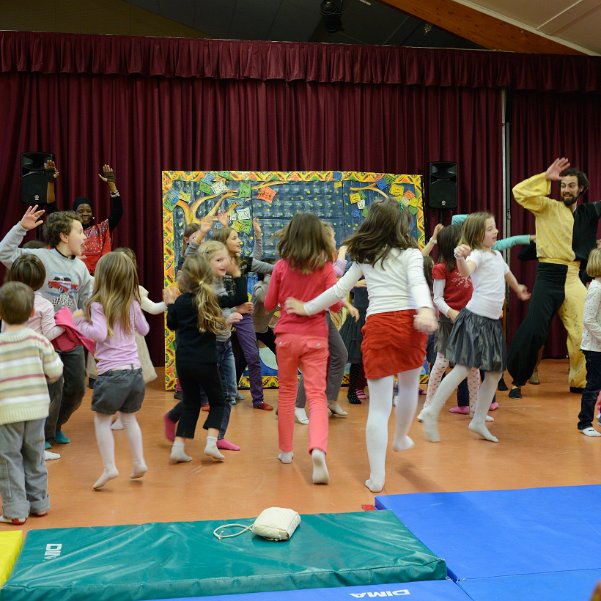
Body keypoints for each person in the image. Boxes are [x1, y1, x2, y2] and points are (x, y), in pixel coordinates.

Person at [285, 198, 437, 493]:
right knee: (407, 388)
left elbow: (339, 289)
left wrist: (307, 308)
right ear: (400, 225)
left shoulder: (366, 255)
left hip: (380, 325)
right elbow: (419, 284)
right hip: (409, 323)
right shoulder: (411, 253)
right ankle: (402, 436)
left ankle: (377, 477)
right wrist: (425, 309)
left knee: (378, 409)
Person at [419, 213, 530, 444]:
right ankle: (431, 411)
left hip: (490, 322)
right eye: (491, 229)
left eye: (495, 227)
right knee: (462, 368)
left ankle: (478, 419)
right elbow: (465, 272)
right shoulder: (477, 255)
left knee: (495, 372)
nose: (496, 232)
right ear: (479, 235)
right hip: (475, 319)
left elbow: (507, 274)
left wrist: (517, 287)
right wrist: (460, 258)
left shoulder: (497, 255)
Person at [507, 158, 601, 399]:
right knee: (536, 329)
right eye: (563, 185)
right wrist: (545, 178)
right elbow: (519, 192)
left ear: (580, 189)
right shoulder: (547, 207)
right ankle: (517, 377)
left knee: (584, 330)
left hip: (572, 276)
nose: (566, 190)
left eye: (571, 185)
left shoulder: (588, 212)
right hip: (548, 276)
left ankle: (579, 381)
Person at [0, 205, 92, 444]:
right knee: (53, 389)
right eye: (80, 231)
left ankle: (57, 423)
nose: (84, 236)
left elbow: (87, 301)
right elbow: (4, 253)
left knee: (77, 387)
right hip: (44, 336)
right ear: (63, 236)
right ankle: (45, 434)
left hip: (67, 336)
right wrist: (21, 228)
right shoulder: (40, 257)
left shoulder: (81, 268)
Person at [264, 213, 344, 485]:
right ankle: (318, 449)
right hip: (316, 338)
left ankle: (286, 452)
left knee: (287, 393)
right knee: (317, 395)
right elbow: (334, 304)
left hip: (286, 337)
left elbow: (269, 303)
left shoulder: (281, 267)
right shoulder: (325, 268)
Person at [163, 241, 249, 451]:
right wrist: (237, 275)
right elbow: (225, 306)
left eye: (225, 259)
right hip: (209, 349)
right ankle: (176, 418)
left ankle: (217, 437)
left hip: (223, 343)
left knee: (226, 393)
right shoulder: (204, 291)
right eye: (219, 260)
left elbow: (232, 301)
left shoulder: (218, 283)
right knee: (199, 397)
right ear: (204, 265)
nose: (225, 263)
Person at [73, 252, 149, 490]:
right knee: (129, 418)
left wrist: (78, 322)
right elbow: (144, 329)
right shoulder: (132, 302)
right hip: (135, 372)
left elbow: (99, 334)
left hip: (112, 374)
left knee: (102, 421)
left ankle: (109, 467)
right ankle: (139, 463)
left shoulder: (98, 304)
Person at [0, 282, 63, 524]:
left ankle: (15, 511)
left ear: (1, 313)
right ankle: (39, 503)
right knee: (34, 454)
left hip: (7, 412)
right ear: (31, 313)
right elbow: (55, 370)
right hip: (37, 410)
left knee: (9, 458)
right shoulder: (39, 341)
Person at [163, 254, 228, 464]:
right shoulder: (209, 299)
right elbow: (217, 326)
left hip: (184, 361)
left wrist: (170, 304)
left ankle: (179, 447)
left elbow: (172, 325)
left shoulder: (181, 301)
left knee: (190, 403)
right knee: (218, 401)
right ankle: (210, 442)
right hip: (206, 361)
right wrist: (231, 320)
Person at [4, 255, 65, 460]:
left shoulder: (6, 299)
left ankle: (14, 449)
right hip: (34, 362)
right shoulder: (44, 304)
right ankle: (37, 450)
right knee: (36, 410)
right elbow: (48, 335)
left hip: (11, 361)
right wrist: (65, 326)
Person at [45, 160, 123, 275]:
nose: (85, 213)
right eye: (81, 211)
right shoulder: (66, 229)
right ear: (74, 213)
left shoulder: (101, 229)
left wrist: (111, 184)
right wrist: (50, 182)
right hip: (70, 278)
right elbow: (51, 208)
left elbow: (118, 212)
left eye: (88, 211)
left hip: (96, 282)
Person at [577, 248, 601, 437]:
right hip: (595, 348)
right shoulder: (595, 288)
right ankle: (585, 422)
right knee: (593, 385)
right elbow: (589, 320)